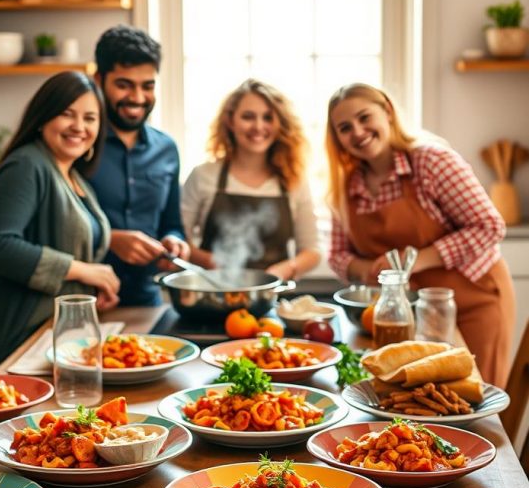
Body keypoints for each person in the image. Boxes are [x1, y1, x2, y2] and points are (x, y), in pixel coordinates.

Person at [326, 82, 515, 388]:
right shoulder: (345, 186)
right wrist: (372, 269)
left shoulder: (431, 162)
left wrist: (412, 262)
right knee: (411, 400)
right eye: (345, 128)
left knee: (472, 400)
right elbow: (337, 256)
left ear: (387, 111)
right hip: (403, 316)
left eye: (364, 118)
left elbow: (490, 226)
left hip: (472, 301)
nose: (358, 132)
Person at [0, 72, 120, 370]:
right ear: (43, 117)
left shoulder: (71, 174)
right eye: (67, 114)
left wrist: (89, 292)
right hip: (25, 341)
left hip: (60, 336)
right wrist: (82, 271)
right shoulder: (26, 165)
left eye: (90, 118)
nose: (79, 127)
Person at [181, 79, 320, 281]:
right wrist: (214, 262)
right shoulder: (203, 176)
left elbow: (313, 251)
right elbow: (180, 241)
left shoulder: (294, 181)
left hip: (272, 297)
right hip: (213, 293)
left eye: (268, 118)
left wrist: (283, 270)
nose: (258, 126)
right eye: (248, 117)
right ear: (230, 121)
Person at [90, 25, 190, 306]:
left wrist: (174, 241)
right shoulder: (80, 144)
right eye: (124, 85)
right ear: (99, 80)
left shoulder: (167, 149)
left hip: (148, 299)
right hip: (87, 297)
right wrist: (109, 239)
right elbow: (55, 226)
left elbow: (172, 224)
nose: (137, 98)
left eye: (148, 86)